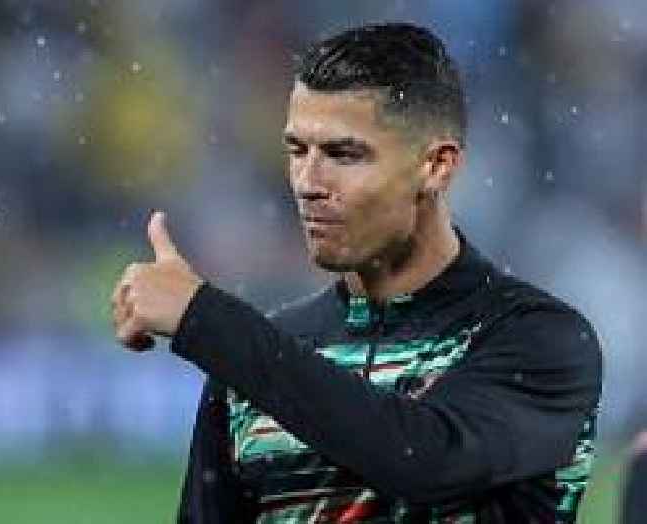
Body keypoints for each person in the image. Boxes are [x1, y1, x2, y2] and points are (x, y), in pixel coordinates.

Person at [111, 23, 602, 523]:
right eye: (297, 151)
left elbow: (424, 458)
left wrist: (205, 319)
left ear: (436, 166)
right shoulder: (253, 359)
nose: (308, 183)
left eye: (344, 154)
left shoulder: (538, 339)